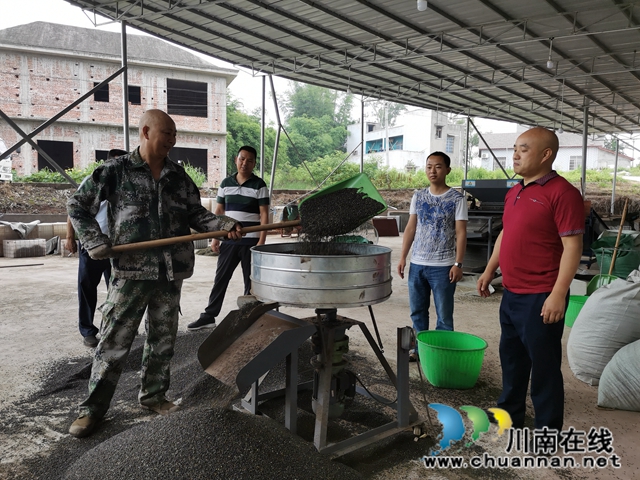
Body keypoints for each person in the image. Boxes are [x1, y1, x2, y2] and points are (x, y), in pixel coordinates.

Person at [66, 109, 242, 438]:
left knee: (162, 341)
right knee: (114, 343)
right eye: (167, 134)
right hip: (131, 273)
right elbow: (78, 204)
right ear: (146, 131)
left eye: (175, 135)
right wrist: (93, 240)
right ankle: (92, 410)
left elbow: (197, 215)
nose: (172, 141)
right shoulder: (115, 171)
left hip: (169, 273)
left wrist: (224, 225)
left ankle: (154, 396)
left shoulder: (178, 175)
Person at [477, 127, 584, 431]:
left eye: (523, 149)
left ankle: (548, 432)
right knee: (512, 361)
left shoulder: (563, 194)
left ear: (546, 154)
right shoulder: (515, 191)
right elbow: (505, 235)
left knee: (545, 369)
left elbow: (573, 247)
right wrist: (489, 270)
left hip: (541, 295)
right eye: (514, 148)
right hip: (511, 293)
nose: (515, 154)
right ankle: (509, 415)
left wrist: (558, 293)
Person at [188, 146, 269, 331]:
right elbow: (219, 212)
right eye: (242, 159)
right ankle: (209, 316)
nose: (245, 163)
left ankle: (250, 318)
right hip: (229, 239)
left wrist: (261, 242)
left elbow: (264, 215)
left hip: (251, 240)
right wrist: (216, 237)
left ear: (254, 163)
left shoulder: (259, 185)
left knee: (251, 282)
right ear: (236, 159)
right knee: (221, 278)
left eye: (249, 160)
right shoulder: (225, 184)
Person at [397, 151, 468, 359]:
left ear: (447, 170)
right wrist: (403, 257)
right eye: (429, 166)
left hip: (444, 266)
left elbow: (461, 233)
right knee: (417, 312)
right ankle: (419, 350)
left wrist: (459, 263)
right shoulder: (418, 196)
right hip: (417, 264)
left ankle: (441, 354)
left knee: (444, 316)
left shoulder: (457, 199)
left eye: (437, 166)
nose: (432, 171)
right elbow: (410, 228)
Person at [66, 149, 127, 348]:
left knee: (116, 290)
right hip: (93, 245)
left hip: (118, 246)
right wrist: (70, 237)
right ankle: (87, 331)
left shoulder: (128, 186)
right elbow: (74, 208)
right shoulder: (93, 181)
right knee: (87, 287)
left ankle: (111, 329)